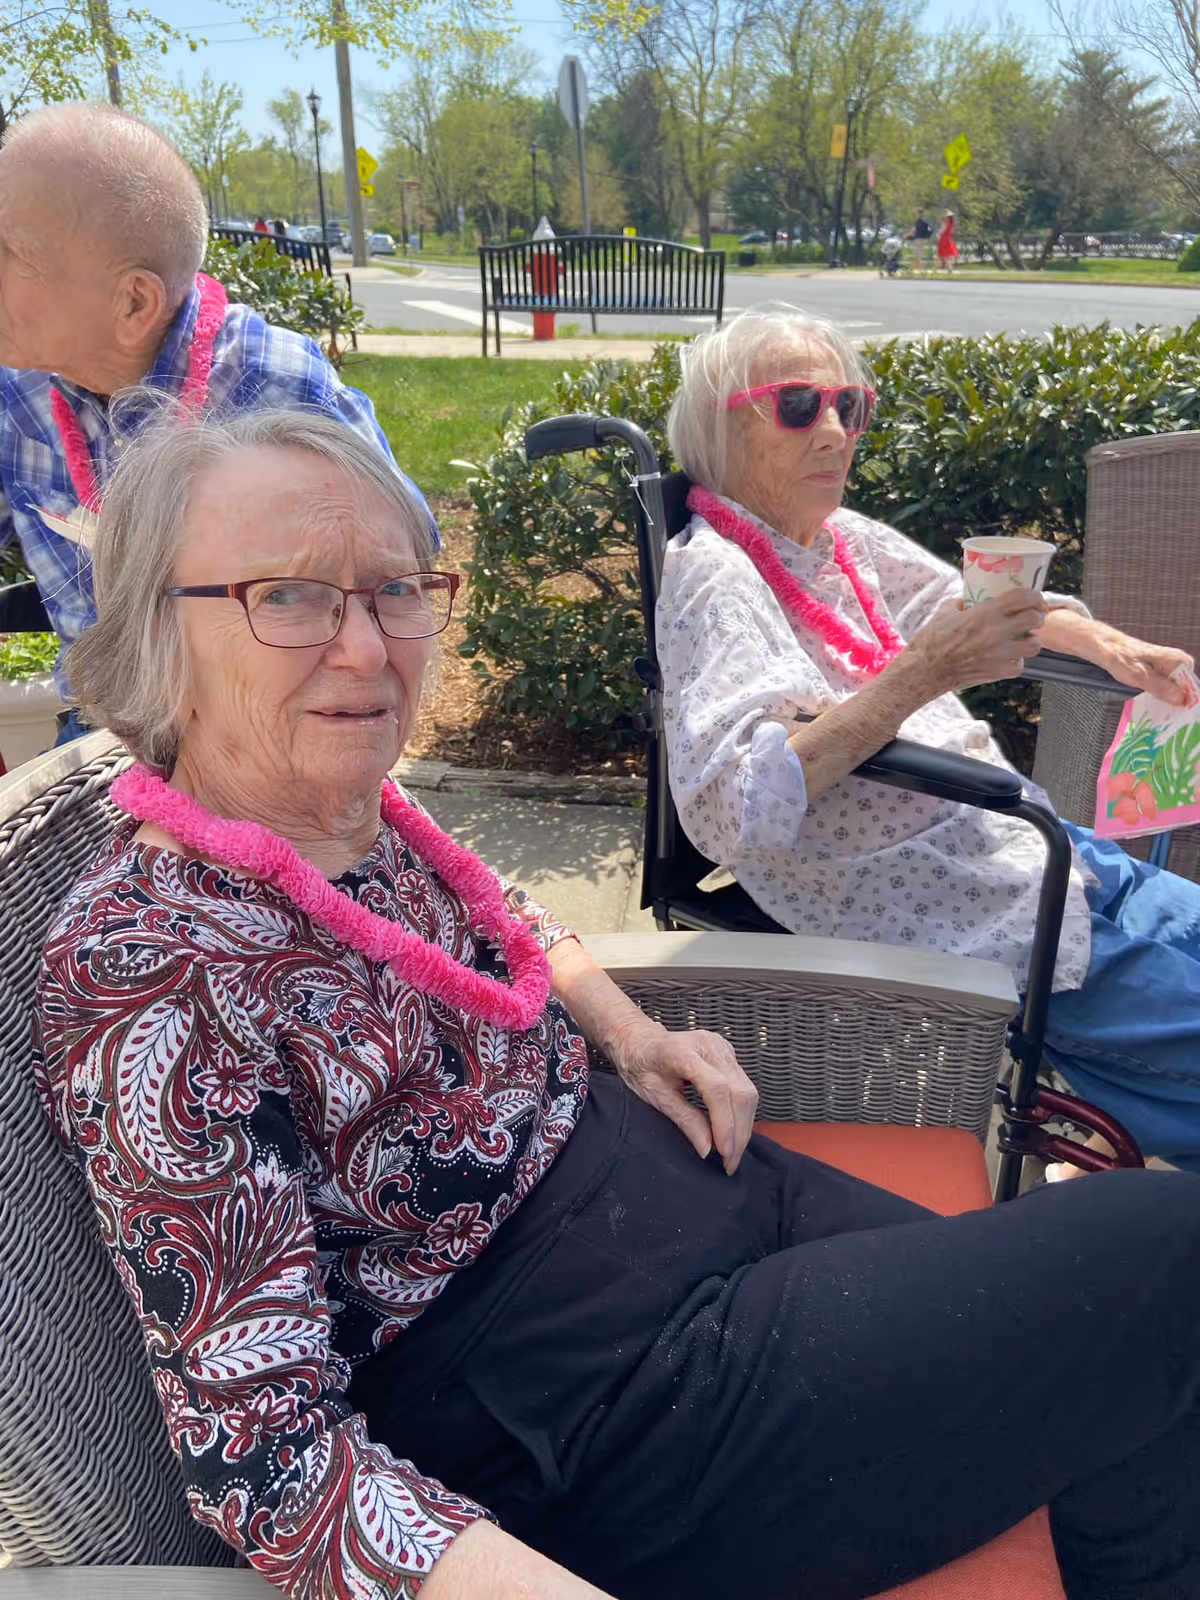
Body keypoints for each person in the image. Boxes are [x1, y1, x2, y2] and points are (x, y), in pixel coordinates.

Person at [33, 403, 1200, 1600]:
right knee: (1171, 1254)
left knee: (1125, 1352)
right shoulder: (147, 969)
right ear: (153, 634)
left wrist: (630, 1031)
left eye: (393, 590)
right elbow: (264, 1462)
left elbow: (505, 920)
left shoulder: (356, 814)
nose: (369, 649)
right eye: (289, 597)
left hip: (685, 1186)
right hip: (585, 1408)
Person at [657, 304, 1200, 1175]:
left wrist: (1112, 647)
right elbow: (734, 809)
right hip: (962, 906)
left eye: (850, 406)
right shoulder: (716, 580)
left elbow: (973, 603)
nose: (835, 431)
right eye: (799, 405)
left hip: (1047, 857)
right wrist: (922, 676)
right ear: (725, 425)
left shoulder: (836, 540)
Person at [0, 102, 423, 745]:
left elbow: (400, 573)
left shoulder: (275, 385)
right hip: (101, 737)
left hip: (267, 742)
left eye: (10, 253)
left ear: (134, 302)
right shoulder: (18, 392)